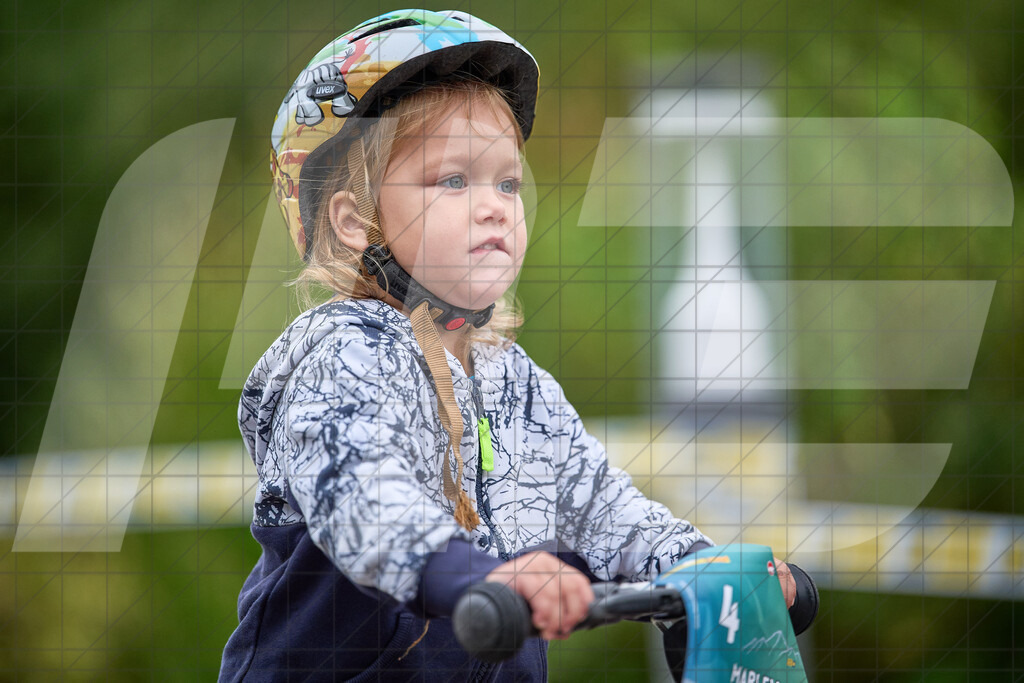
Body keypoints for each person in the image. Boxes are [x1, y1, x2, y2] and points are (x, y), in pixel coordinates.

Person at [219, 9, 803, 681]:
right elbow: (360, 492)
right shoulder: (340, 355)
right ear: (356, 221)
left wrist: (705, 565)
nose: (496, 204)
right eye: (453, 180)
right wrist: (471, 573)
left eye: (508, 182)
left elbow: (604, 510)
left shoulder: (516, 384)